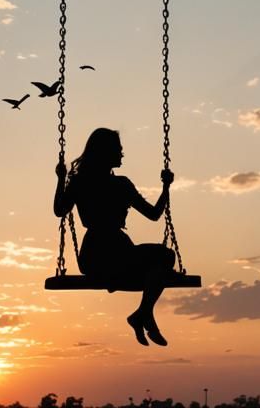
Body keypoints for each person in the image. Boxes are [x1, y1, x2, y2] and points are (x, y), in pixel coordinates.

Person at [53, 127, 176, 346]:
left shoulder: (81, 182)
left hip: (93, 257)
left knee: (159, 264)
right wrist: (166, 187)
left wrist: (61, 179)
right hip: (117, 253)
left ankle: (142, 314)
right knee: (165, 258)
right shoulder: (121, 185)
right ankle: (142, 314)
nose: (122, 154)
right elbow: (154, 214)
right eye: (118, 149)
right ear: (106, 152)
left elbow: (59, 210)